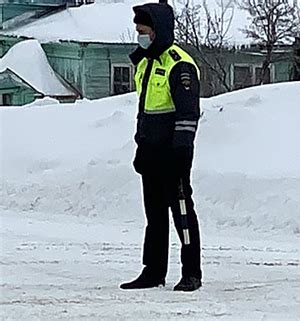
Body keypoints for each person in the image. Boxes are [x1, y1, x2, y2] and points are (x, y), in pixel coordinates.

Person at [120, 1, 202, 292]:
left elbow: (188, 113)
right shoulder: (145, 61)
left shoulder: (179, 64)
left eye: (143, 31)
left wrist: (181, 151)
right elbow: (146, 110)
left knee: (181, 213)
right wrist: (141, 146)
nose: (139, 36)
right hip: (150, 152)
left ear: (157, 31)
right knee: (154, 216)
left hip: (174, 153)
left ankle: (191, 272)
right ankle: (153, 271)